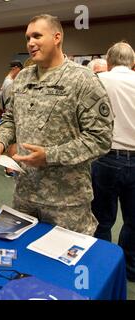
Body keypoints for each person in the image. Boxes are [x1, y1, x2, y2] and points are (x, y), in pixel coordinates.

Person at [0, 14, 113, 235]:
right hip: (25, 195)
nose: (30, 43)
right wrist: (0, 141)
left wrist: (50, 156)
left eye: (37, 36)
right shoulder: (23, 78)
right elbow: (10, 119)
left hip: (66, 202)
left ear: (57, 37)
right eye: (28, 38)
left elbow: (100, 139)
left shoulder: (82, 79)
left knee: (64, 265)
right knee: (23, 260)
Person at [92, 42, 135, 281]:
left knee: (102, 219)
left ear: (108, 62)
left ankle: (102, 268)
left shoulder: (99, 81)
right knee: (133, 220)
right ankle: (130, 270)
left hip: (106, 158)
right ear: (133, 62)